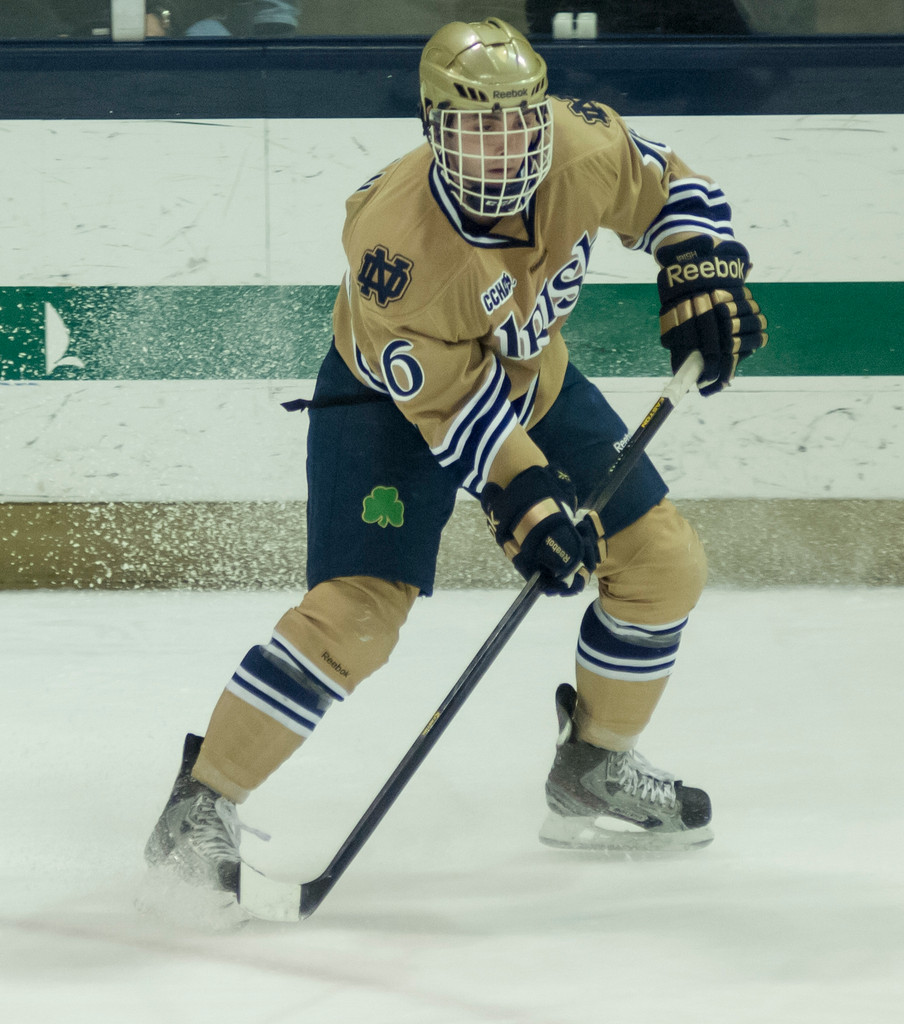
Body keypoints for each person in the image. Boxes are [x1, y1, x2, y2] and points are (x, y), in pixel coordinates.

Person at [144, 17, 767, 919]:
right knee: (356, 621)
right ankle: (199, 804)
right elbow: (451, 407)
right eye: (477, 130)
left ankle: (593, 767)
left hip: (530, 377)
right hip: (389, 409)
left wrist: (700, 263)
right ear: (435, 130)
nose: (504, 148)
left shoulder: (579, 148)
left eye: (518, 123)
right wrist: (526, 497)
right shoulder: (395, 248)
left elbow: (668, 182)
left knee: (663, 563)